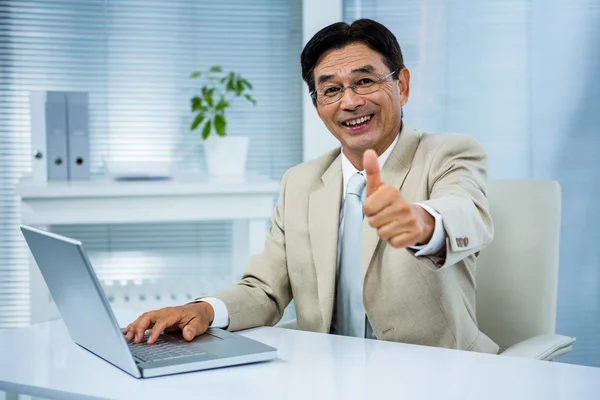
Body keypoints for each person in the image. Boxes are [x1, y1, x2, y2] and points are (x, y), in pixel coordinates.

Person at [123, 19, 499, 354]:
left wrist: (423, 223)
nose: (349, 102)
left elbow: (466, 211)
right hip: (325, 376)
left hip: (434, 373)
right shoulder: (299, 182)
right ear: (317, 104)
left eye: (364, 81)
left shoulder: (448, 153)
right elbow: (265, 290)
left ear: (401, 85)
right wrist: (202, 310)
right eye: (330, 89)